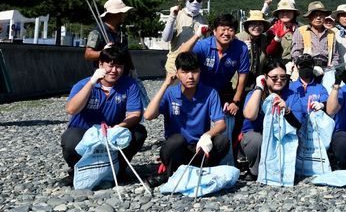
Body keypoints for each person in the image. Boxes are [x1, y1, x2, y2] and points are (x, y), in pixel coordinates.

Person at [60, 46, 147, 186]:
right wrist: (91, 83)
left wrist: (118, 128)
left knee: (138, 132)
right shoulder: (83, 84)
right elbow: (71, 109)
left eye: (119, 67)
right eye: (110, 66)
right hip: (84, 132)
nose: (114, 71)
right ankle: (77, 170)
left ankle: (118, 170)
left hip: (113, 131)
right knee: (70, 140)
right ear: (100, 65)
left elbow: (135, 114)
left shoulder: (129, 85)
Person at [144, 52, 229, 186]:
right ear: (177, 73)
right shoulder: (170, 93)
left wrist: (207, 135)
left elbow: (221, 124)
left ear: (200, 71)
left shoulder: (210, 93)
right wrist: (165, 85)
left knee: (222, 140)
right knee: (177, 140)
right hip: (177, 149)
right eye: (184, 72)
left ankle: (203, 172)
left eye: (194, 71)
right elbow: (148, 116)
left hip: (200, 148)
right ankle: (172, 174)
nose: (190, 76)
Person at [178, 13, 250, 117]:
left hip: (222, 89)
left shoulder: (241, 48)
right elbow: (182, 54)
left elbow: (243, 76)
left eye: (230, 30)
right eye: (223, 29)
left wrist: (236, 102)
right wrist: (197, 35)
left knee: (229, 118)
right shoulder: (203, 45)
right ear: (215, 31)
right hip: (199, 90)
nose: (226, 33)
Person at [241, 58, 301, 179]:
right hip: (258, 135)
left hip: (282, 136)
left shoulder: (292, 96)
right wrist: (259, 87)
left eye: (283, 77)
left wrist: (287, 111)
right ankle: (255, 170)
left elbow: (298, 124)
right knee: (256, 140)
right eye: (274, 78)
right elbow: (250, 115)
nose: (279, 81)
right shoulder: (254, 93)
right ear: (265, 77)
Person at [161, 0, 209, 76]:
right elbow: (166, 38)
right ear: (185, 0)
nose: (195, 2)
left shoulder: (204, 20)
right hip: (175, 67)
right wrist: (172, 18)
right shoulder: (177, 15)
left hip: (194, 68)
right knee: (173, 90)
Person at [290, 1, 340, 69]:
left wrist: (332, 67)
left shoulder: (331, 33)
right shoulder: (300, 31)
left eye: (321, 15)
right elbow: (296, 53)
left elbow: (335, 56)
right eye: (315, 15)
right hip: (305, 68)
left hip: (326, 69)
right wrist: (304, 66)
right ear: (309, 17)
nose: (318, 18)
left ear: (325, 16)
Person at [84, 0, 133, 65]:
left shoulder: (121, 31)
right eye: (123, 13)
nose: (125, 15)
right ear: (115, 14)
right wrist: (103, 53)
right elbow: (88, 54)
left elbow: (126, 53)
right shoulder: (97, 32)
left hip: (123, 72)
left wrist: (132, 68)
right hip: (106, 73)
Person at [286, 53, 329, 123]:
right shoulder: (290, 86)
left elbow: (327, 101)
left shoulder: (320, 88)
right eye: (302, 65)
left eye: (308, 65)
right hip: (294, 124)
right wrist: (287, 75)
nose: (305, 67)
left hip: (314, 126)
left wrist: (322, 105)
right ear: (297, 67)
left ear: (313, 67)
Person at [237, 10, 271, 84]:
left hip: (256, 82)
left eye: (260, 24)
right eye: (253, 24)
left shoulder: (264, 39)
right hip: (238, 82)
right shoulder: (238, 38)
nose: (257, 27)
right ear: (247, 26)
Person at [266, 0, 300, 64]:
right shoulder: (272, 30)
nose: (285, 14)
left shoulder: (301, 29)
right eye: (282, 11)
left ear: (294, 14)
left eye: (288, 11)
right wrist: (277, 39)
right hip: (279, 67)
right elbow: (268, 52)